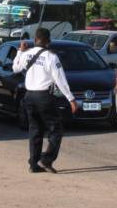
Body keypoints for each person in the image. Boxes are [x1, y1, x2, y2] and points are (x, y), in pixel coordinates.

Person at [12, 28, 78, 174]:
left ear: (35, 40)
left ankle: (33, 164)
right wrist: (71, 99)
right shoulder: (51, 57)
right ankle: (46, 159)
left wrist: (19, 52)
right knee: (56, 129)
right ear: (48, 41)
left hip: (29, 96)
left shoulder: (26, 54)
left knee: (35, 130)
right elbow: (60, 80)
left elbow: (15, 68)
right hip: (44, 97)